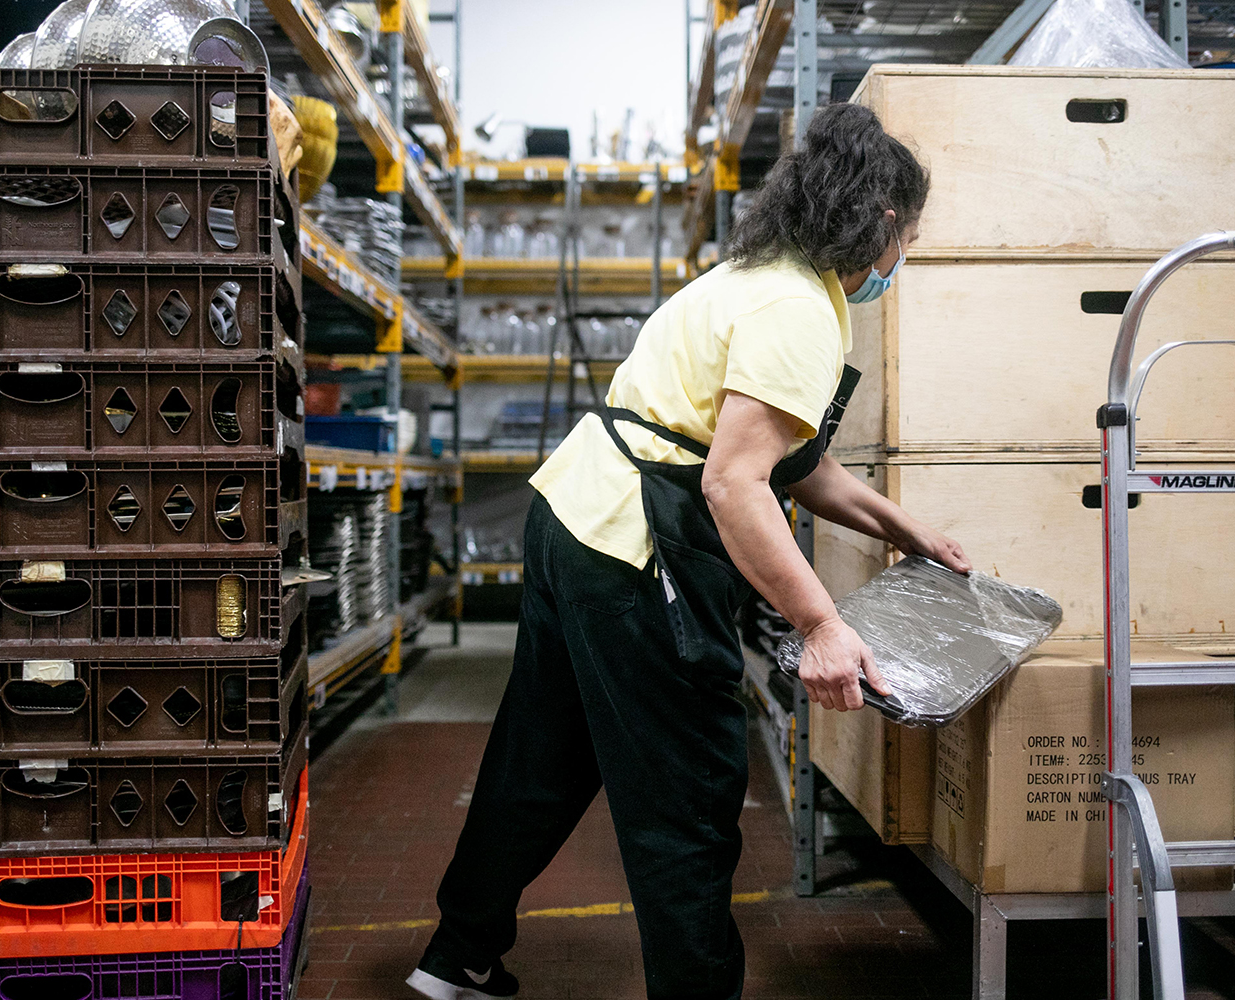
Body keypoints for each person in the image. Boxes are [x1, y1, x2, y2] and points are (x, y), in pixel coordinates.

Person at [407, 102, 971, 1000]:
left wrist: (903, 530)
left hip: (574, 518)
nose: (901, 261)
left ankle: (456, 956)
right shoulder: (796, 310)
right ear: (884, 221)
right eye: (909, 240)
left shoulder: (751, 278)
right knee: (687, 793)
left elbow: (794, 461)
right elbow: (736, 483)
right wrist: (820, 623)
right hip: (635, 550)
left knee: (541, 754)